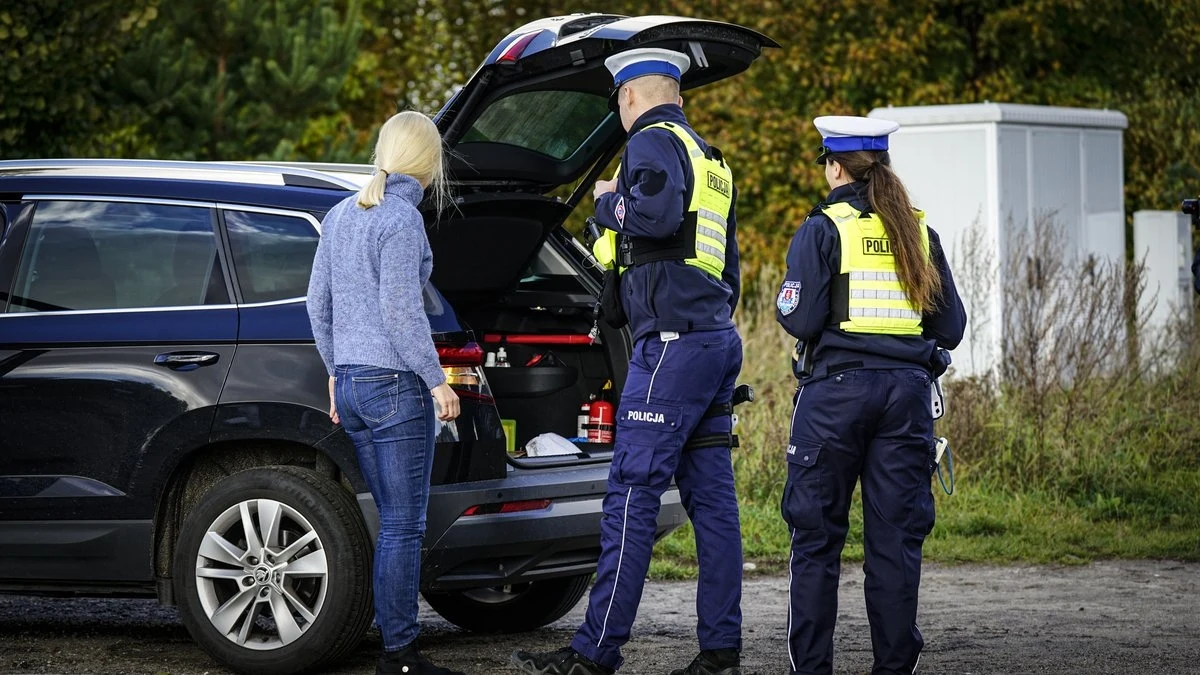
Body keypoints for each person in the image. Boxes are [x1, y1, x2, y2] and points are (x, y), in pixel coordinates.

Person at [511, 48, 746, 675]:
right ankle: (720, 652)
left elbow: (652, 214)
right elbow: (727, 267)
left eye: (618, 101)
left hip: (670, 347)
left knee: (632, 493)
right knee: (714, 505)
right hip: (713, 338)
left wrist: (604, 203)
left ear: (628, 98)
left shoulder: (649, 142)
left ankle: (594, 654)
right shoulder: (711, 159)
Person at [775, 116, 967, 675]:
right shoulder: (918, 231)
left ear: (835, 166)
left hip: (835, 396)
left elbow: (800, 316)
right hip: (906, 399)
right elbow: (949, 327)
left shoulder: (823, 227)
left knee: (815, 540)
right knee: (895, 544)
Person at [306, 111, 465, 675]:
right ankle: (400, 656)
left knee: (390, 520)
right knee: (402, 523)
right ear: (429, 164)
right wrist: (437, 379)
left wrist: (335, 370)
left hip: (351, 386)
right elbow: (401, 313)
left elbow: (315, 306)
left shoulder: (341, 214)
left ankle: (392, 644)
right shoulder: (400, 220)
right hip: (394, 385)